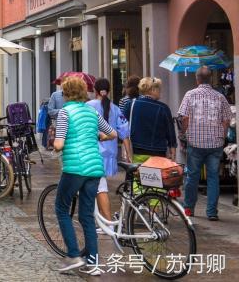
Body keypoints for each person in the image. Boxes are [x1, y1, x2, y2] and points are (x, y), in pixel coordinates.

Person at [53, 77, 117, 274]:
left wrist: (56, 145)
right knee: (87, 216)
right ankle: (93, 262)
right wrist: (99, 136)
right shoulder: (91, 112)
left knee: (62, 209)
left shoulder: (65, 113)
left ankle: (73, 255)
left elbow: (59, 144)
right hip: (95, 170)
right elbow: (113, 134)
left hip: (74, 168)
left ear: (66, 94)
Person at [179, 66, 233, 221]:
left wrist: (183, 132)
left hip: (195, 142)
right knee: (213, 177)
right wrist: (222, 136)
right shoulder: (220, 97)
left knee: (192, 176)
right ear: (210, 79)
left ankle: (189, 209)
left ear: (197, 79)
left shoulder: (190, 95)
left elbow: (184, 118)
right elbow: (227, 119)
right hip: (215, 143)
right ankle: (212, 212)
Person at [86, 78, 131, 220]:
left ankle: (105, 221)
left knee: (99, 188)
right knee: (99, 186)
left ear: (94, 90)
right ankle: (101, 219)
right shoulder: (116, 109)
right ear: (109, 91)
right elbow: (124, 134)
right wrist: (129, 155)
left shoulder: (88, 106)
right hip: (109, 154)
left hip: (91, 153)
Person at [123, 77, 177, 164]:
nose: (160, 92)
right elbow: (170, 132)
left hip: (137, 151)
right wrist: (173, 150)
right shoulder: (163, 108)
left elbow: (123, 129)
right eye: (159, 89)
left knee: (138, 175)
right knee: (157, 176)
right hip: (158, 153)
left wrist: (127, 151)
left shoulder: (131, 104)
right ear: (153, 90)